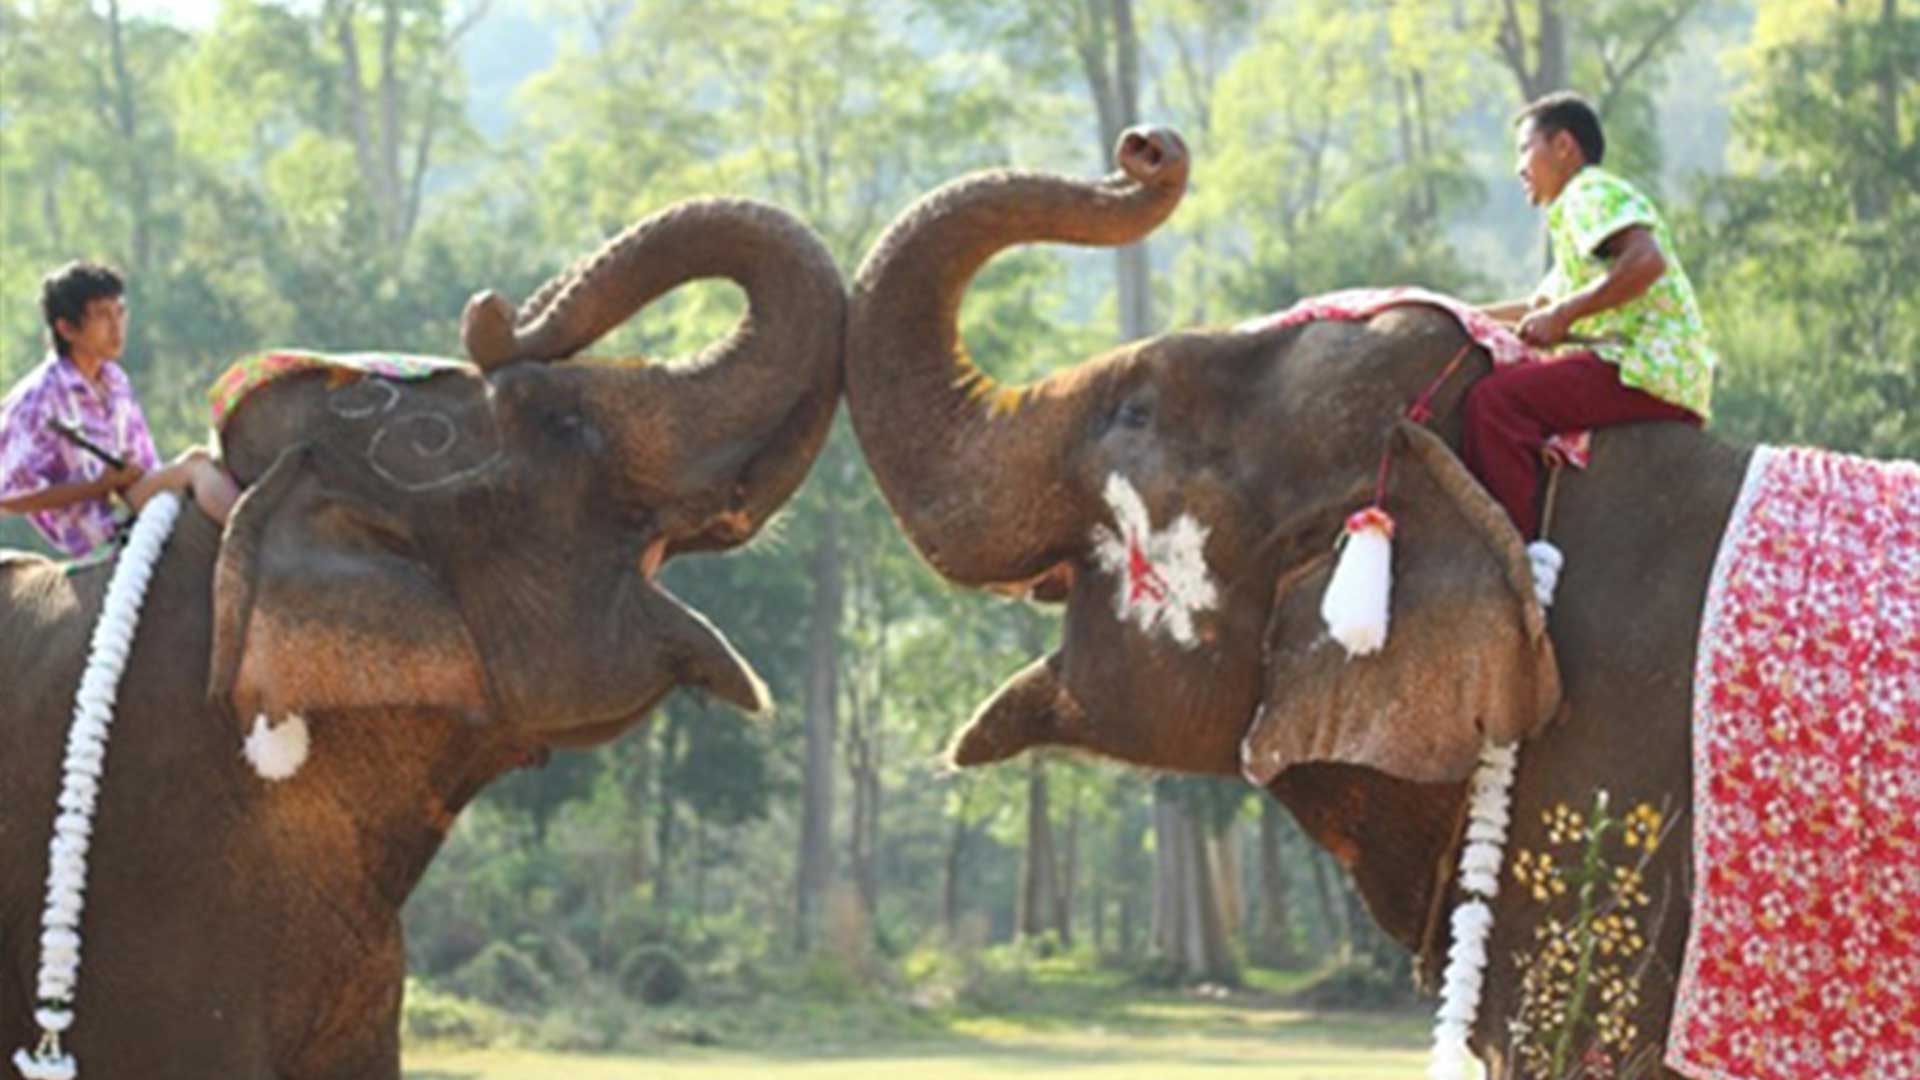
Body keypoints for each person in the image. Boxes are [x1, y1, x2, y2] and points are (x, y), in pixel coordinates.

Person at [1470, 92, 1717, 603]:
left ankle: (1517, 561)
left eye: (1524, 150)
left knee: (1495, 402)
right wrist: (1452, 313)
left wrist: (1563, 316)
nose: (1518, 168)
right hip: (1653, 370)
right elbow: (1535, 307)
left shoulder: (1589, 192)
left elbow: (1646, 261)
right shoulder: (1573, 224)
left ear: (1563, 146)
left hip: (1643, 364)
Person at [0, 260, 238, 559]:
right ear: (67, 329)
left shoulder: (115, 380)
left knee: (206, 460)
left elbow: (144, 466)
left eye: (120, 312)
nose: (117, 327)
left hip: (132, 500)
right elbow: (7, 497)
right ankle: (251, 539)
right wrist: (98, 486)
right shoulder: (38, 397)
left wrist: (124, 476)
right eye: (102, 316)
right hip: (95, 532)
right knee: (196, 466)